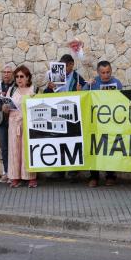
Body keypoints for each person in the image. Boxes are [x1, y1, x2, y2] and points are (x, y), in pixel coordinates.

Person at [45, 53, 86, 182]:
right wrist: (49, 88)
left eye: (65, 66)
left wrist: (80, 92)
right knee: (59, 142)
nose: (62, 69)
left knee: (73, 142)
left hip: (72, 115)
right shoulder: (54, 77)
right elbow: (46, 95)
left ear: (71, 65)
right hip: (58, 114)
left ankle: (73, 171)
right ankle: (59, 171)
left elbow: (86, 95)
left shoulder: (78, 78)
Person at [86, 61, 123, 187]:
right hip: (95, 123)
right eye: (103, 73)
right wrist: (87, 86)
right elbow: (83, 96)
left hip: (111, 122)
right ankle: (94, 177)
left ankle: (110, 176)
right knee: (94, 149)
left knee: (110, 149)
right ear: (98, 72)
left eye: (108, 72)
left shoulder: (117, 83)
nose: (106, 75)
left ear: (111, 71)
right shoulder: (93, 83)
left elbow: (122, 101)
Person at [5, 65, 37, 188]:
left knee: (28, 150)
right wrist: (5, 107)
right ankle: (15, 177)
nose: (19, 79)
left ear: (27, 77)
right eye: (17, 76)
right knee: (14, 150)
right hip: (14, 124)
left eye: (21, 76)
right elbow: (5, 108)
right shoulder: (12, 90)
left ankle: (31, 177)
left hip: (29, 123)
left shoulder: (34, 89)